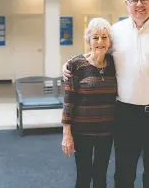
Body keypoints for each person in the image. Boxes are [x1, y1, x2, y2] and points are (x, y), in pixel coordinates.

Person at [63, 0, 149, 188]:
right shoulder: (115, 32)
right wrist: (69, 64)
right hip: (126, 114)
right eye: (134, 0)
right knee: (124, 171)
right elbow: (96, 52)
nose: (139, 4)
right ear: (126, 4)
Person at [61, 18, 118, 188]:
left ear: (109, 41)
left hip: (107, 130)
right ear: (88, 40)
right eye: (95, 37)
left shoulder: (115, 63)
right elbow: (68, 101)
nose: (100, 42)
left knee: (101, 175)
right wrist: (67, 133)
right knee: (83, 175)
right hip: (82, 131)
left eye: (104, 37)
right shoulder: (76, 64)